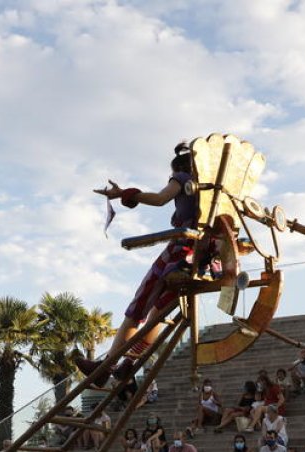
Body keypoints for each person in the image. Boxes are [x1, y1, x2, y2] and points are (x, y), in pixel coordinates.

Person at [77, 142, 220, 382]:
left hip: (179, 252)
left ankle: (106, 368)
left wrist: (125, 194)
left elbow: (160, 199)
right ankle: (129, 363)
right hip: (203, 259)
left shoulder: (183, 178)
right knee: (159, 313)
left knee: (138, 308)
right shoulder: (216, 193)